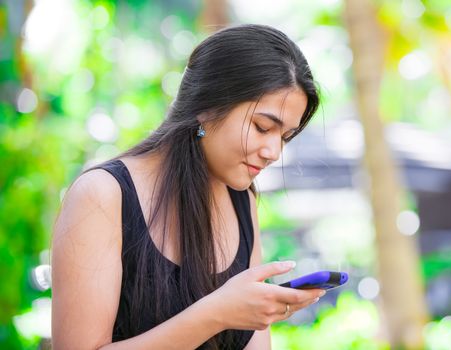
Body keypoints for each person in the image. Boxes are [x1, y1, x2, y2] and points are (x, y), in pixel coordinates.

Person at [51, 24, 325, 350]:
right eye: (262, 126)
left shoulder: (241, 200)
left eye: (284, 137)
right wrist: (216, 314)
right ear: (207, 106)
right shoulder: (102, 196)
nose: (274, 152)